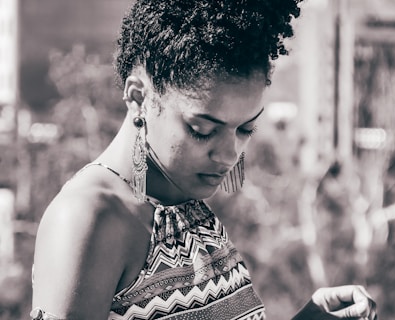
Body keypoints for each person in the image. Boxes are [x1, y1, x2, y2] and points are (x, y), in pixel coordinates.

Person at [30, 0, 377, 319]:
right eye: (201, 130)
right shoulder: (88, 219)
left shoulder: (186, 204)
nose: (229, 155)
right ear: (139, 97)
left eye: (245, 129)